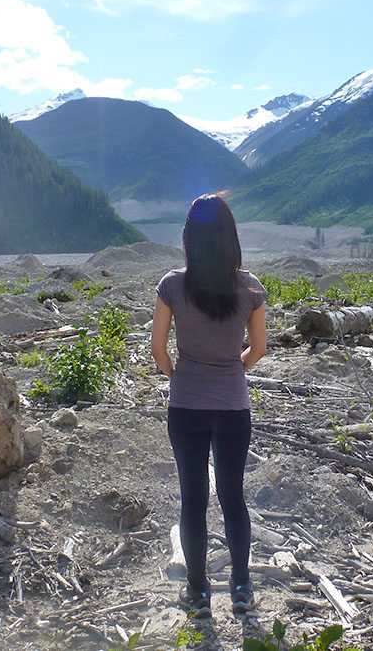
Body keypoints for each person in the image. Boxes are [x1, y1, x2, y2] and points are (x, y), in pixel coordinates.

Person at [151, 193, 268, 618]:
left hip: (186, 406)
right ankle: (241, 586)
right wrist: (233, 369)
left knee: (193, 499)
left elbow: (158, 350)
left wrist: (179, 377)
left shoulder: (172, 285)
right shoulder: (249, 287)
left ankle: (198, 592)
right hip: (233, 405)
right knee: (233, 496)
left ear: (189, 237)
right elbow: (259, 348)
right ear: (230, 237)